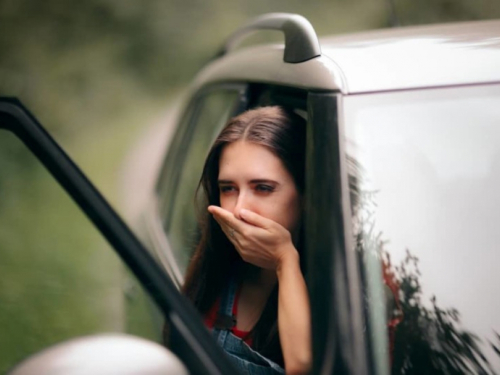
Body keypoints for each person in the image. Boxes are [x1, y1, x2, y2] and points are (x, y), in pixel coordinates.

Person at [182, 106, 311, 375]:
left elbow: (301, 365)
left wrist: (285, 261)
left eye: (263, 188)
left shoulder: (347, 294)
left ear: (306, 194)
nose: (240, 209)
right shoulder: (212, 275)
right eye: (228, 188)